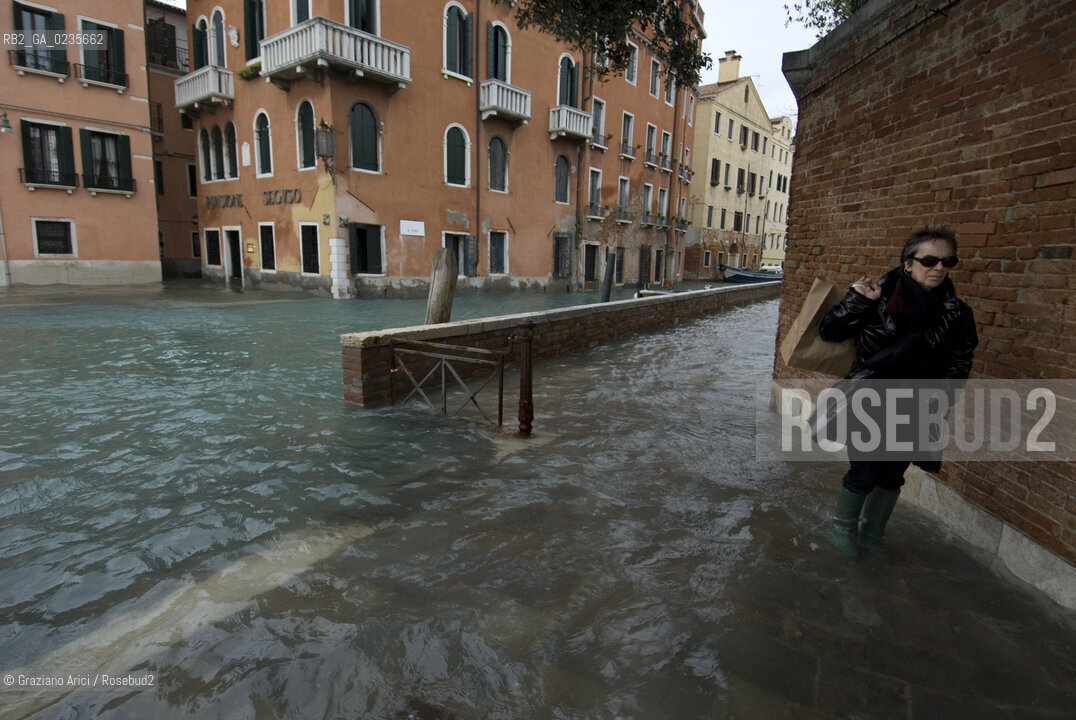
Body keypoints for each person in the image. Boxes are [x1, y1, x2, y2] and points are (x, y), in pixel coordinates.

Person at [818, 227, 978, 558]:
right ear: (908, 263)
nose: (939, 268)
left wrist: (943, 389)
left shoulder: (958, 313)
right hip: (870, 399)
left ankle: (873, 534)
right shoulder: (877, 298)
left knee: (893, 475)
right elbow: (829, 331)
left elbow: (961, 358)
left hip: (918, 404)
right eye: (929, 260)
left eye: (948, 261)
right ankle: (842, 528)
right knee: (865, 471)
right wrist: (858, 301)